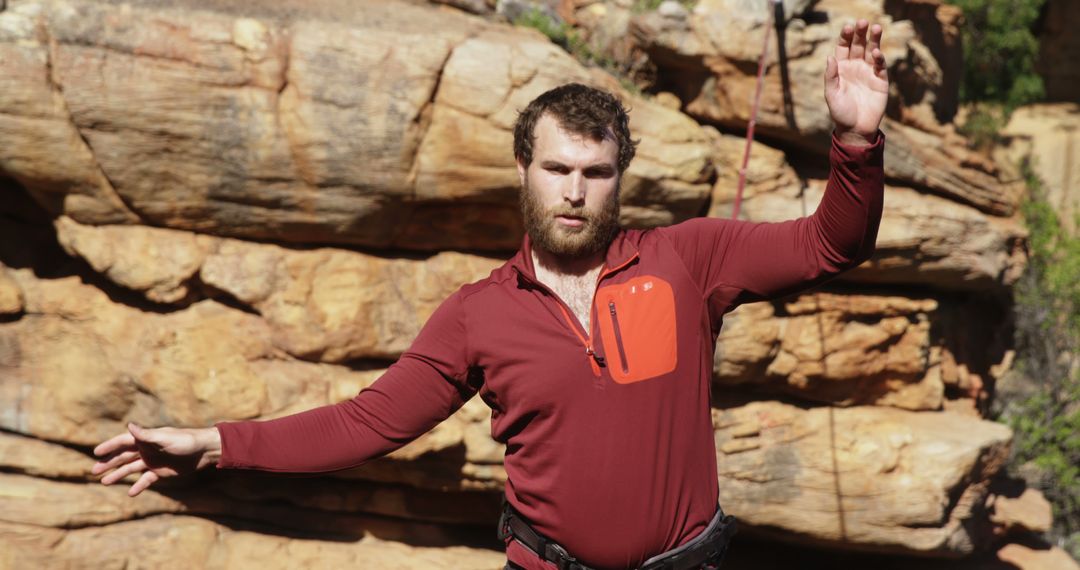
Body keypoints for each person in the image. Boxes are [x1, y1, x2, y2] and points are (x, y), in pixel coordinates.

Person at [93, 19, 890, 570]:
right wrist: (216, 445)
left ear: (619, 181)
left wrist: (855, 141)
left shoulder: (688, 261)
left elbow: (831, 245)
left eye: (595, 173)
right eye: (557, 170)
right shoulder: (480, 313)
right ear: (523, 171)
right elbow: (366, 423)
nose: (575, 192)